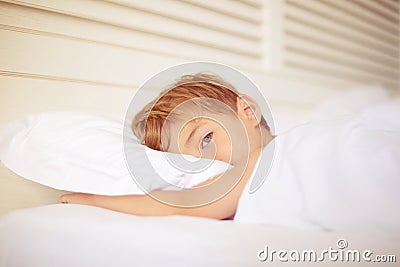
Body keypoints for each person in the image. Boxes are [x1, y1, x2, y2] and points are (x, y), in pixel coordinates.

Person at [58, 73, 273, 219]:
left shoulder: (270, 157)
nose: (209, 166)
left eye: (206, 139)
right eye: (191, 163)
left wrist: (93, 200)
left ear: (248, 110)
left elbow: (182, 203)